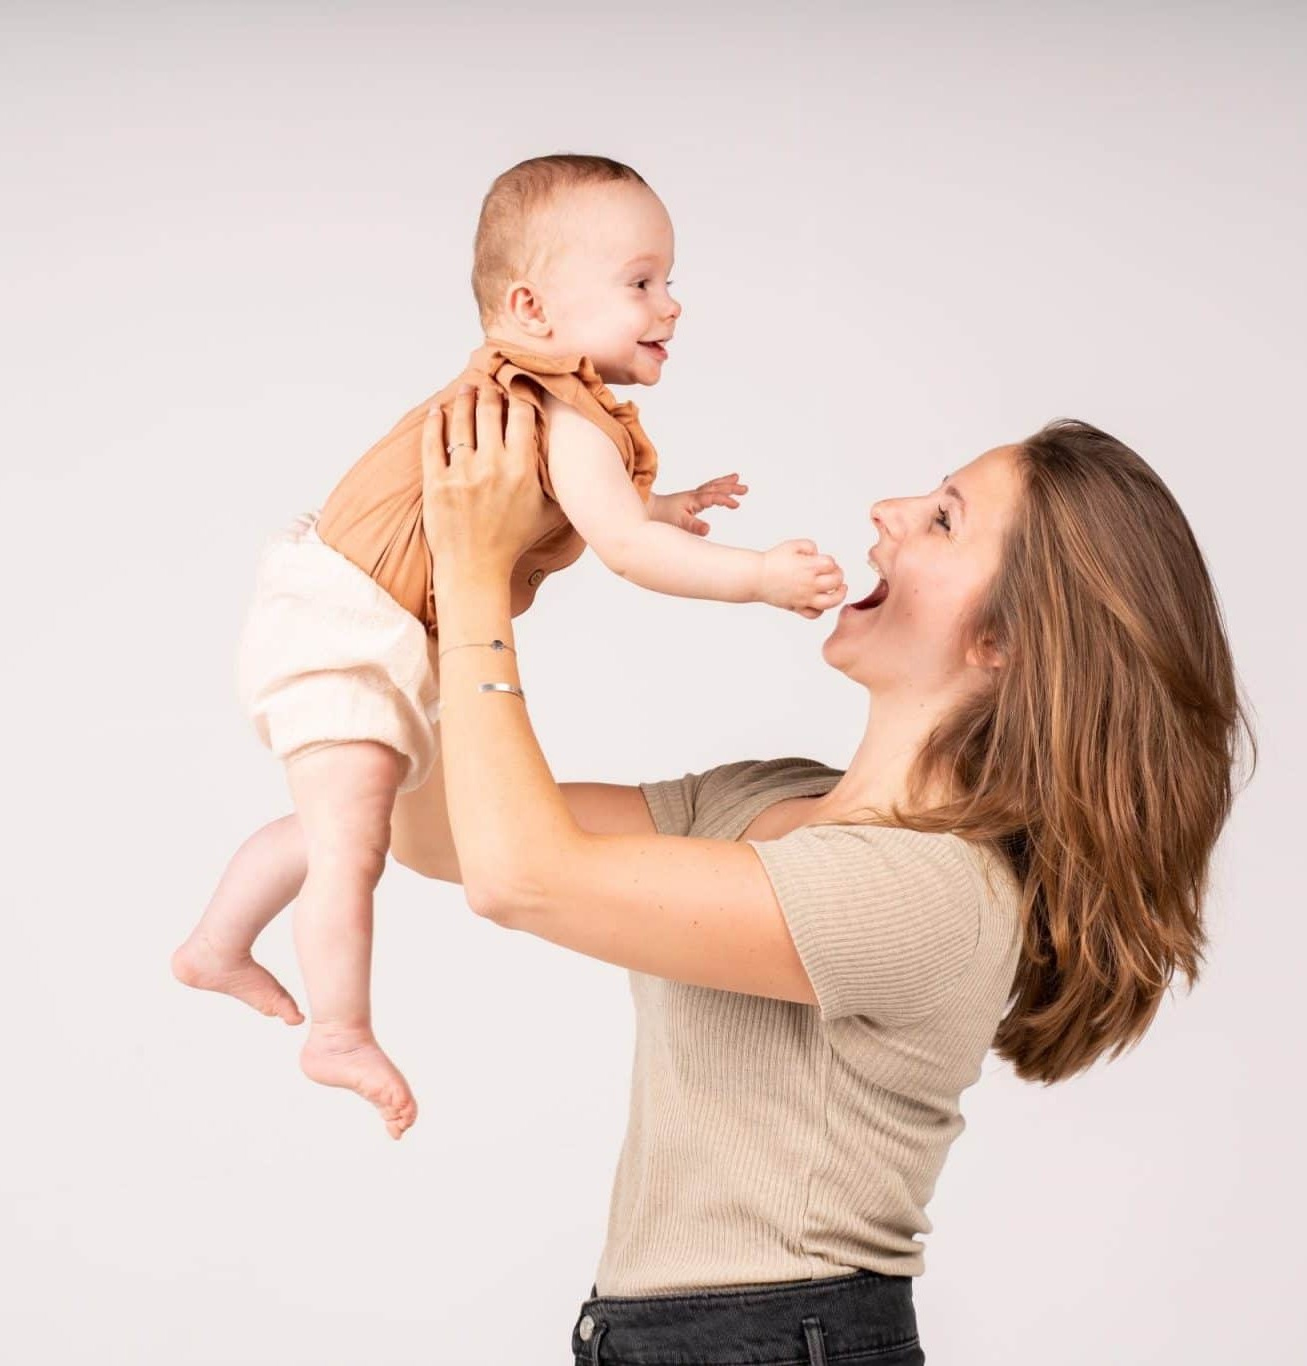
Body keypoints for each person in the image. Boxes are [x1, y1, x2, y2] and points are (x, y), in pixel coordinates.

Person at [396, 386, 1248, 1363]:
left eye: (940, 518)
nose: (885, 512)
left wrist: (469, 579)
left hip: (771, 1340)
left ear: (1003, 639)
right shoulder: (762, 801)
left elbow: (522, 878)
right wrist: (446, 598)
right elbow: (436, 834)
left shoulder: (929, 890)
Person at [171, 153, 846, 1138]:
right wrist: (757, 577)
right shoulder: (547, 402)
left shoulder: (548, 402)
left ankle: (214, 943)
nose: (671, 305)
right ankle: (339, 1028)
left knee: (353, 821)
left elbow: (604, 512)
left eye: (668, 282)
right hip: (347, 620)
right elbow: (621, 547)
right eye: (642, 282)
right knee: (353, 844)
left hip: (374, 624)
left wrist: (670, 503)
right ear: (531, 307)